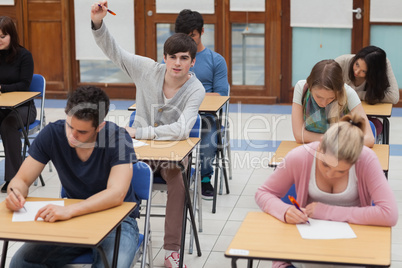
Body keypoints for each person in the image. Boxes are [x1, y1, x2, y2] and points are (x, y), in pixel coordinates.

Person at [91, 2, 205, 267]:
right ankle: (118, 233)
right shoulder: (146, 69)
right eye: (173, 57)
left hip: (171, 157)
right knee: (111, 169)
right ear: (164, 57)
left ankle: (171, 253)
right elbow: (115, 52)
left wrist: (140, 131)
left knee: (177, 178)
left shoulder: (195, 89)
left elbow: (181, 130)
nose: (177, 63)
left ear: (192, 61)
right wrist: (98, 23)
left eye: (184, 58)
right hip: (138, 153)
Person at [6, 86, 139, 268]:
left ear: (100, 126)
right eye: (70, 126)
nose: (72, 135)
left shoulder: (119, 138)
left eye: (82, 132)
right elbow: (21, 180)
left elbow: (117, 193)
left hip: (119, 221)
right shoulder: (52, 133)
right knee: (21, 262)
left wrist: (70, 210)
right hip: (74, 219)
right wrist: (15, 193)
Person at [256, 114, 398, 268]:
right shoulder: (300, 156)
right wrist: (285, 210)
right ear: (320, 145)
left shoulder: (366, 160)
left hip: (353, 252)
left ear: (356, 160)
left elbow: (389, 214)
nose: (330, 174)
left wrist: (326, 211)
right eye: (325, 165)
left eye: (341, 172)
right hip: (306, 253)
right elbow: (263, 193)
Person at [175, 9, 229, 199]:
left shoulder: (216, 61)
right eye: (184, 37)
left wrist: (194, 98)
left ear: (202, 32)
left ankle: (205, 179)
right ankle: (173, 174)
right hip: (178, 115)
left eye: (193, 36)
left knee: (207, 138)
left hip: (206, 116)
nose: (189, 41)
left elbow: (221, 95)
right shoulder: (175, 60)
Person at [291, 59, 375, 148]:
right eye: (318, 97)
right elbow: (299, 135)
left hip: (342, 154)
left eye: (331, 98)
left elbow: (369, 139)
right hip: (313, 149)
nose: (324, 103)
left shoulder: (348, 93)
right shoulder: (302, 88)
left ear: (339, 91)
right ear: (310, 88)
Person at [0, 16, 36, 192]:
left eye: (2, 36)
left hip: (24, 107)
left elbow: (24, 85)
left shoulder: (24, 55)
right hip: (2, 106)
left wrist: (2, 87)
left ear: (11, 36)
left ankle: (14, 179)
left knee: (8, 125)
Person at [335, 45, 399, 105]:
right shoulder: (341, 62)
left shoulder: (382, 64)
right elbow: (327, 88)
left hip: (366, 110)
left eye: (364, 71)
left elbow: (393, 97)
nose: (356, 72)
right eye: (357, 64)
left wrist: (358, 95)